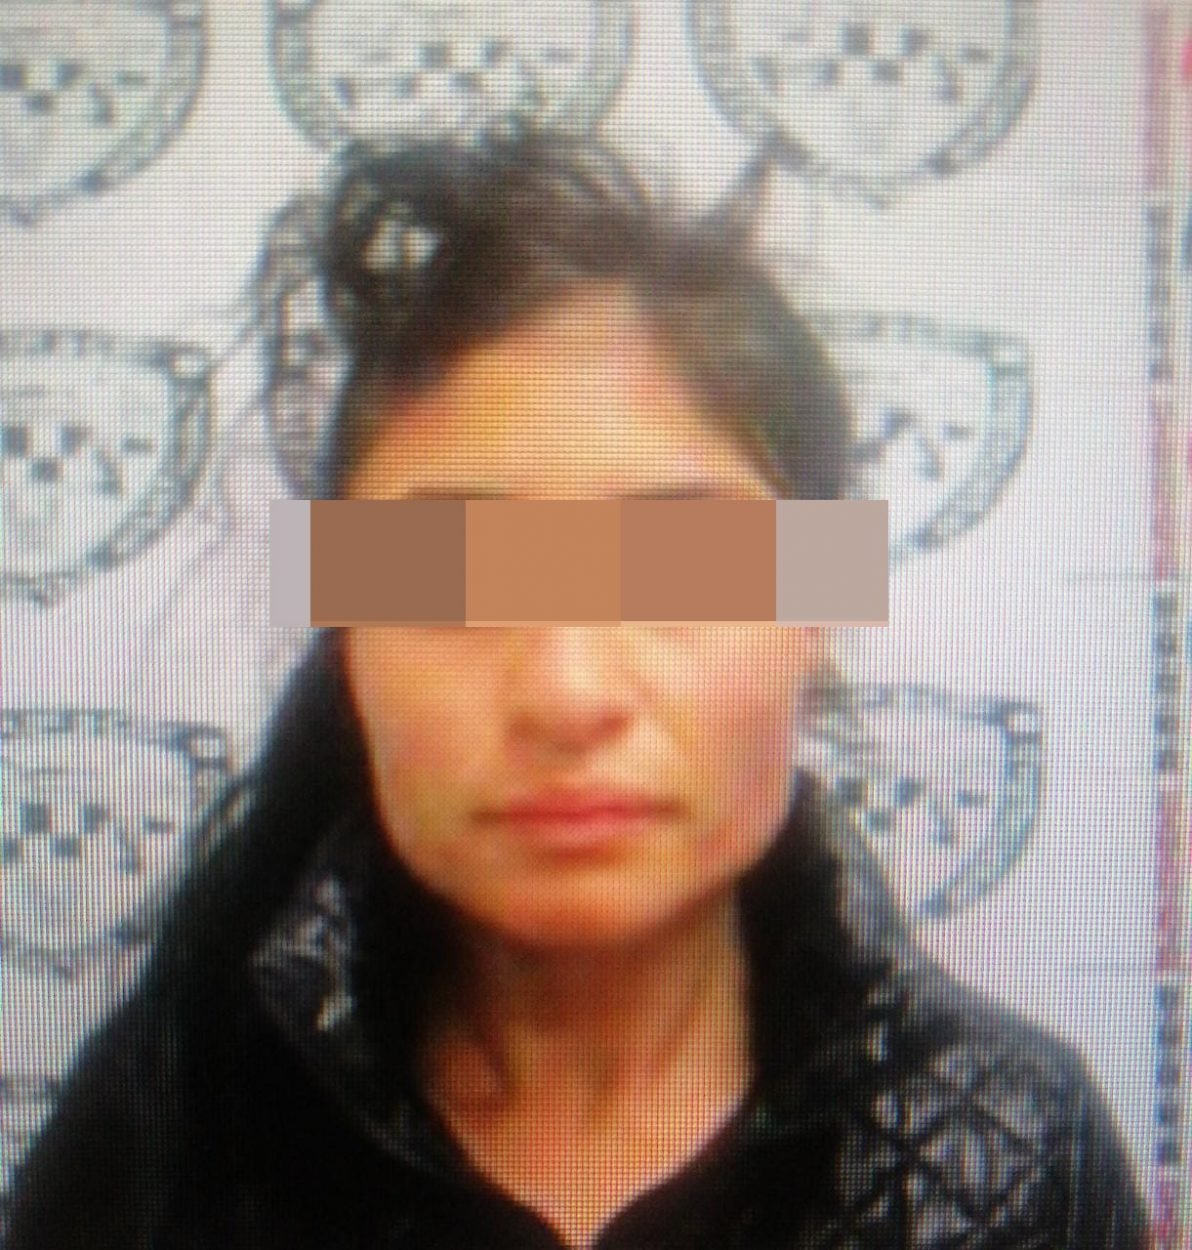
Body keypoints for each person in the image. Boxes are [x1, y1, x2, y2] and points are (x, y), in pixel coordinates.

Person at [4, 135, 1147, 1250]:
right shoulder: (167, 1129)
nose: (566, 691)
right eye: (447, 577)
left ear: (816, 610)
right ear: (345, 634)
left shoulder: (1014, 1149)